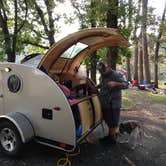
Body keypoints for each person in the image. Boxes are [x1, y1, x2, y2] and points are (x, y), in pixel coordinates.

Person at [97, 61, 129, 145]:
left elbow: (126, 85)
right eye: (100, 71)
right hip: (105, 103)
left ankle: (112, 140)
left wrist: (115, 83)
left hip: (113, 104)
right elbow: (103, 84)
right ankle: (110, 136)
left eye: (103, 70)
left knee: (113, 122)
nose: (102, 72)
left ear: (108, 68)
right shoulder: (103, 75)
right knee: (108, 121)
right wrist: (98, 86)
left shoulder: (115, 75)